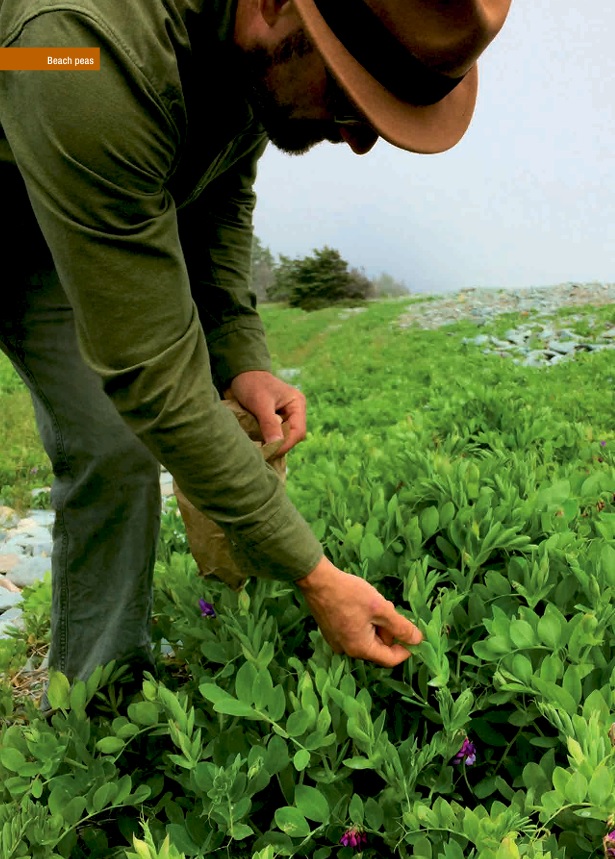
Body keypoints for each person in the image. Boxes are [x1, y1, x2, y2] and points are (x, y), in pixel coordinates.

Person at [0, 0, 512, 696]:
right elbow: (154, 377)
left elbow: (218, 194)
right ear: (273, 6)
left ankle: (98, 696)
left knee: (112, 442)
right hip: (43, 99)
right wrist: (314, 573)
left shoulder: (250, 56)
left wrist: (241, 357)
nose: (361, 138)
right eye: (348, 92)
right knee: (138, 410)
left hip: (77, 157)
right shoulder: (85, 48)